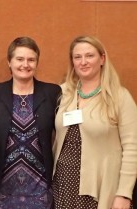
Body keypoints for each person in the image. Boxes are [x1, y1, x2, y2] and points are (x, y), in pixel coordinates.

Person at [52, 35, 137, 209]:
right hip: (62, 185)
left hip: (99, 189)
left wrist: (124, 193)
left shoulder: (119, 97)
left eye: (89, 56)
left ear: (102, 59)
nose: (83, 62)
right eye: (78, 57)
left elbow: (132, 147)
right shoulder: (62, 93)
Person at [0, 37, 61, 209]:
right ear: (9, 62)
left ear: (36, 63)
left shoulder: (53, 92)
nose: (25, 64)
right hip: (3, 188)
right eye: (19, 59)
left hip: (40, 187)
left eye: (31, 59)